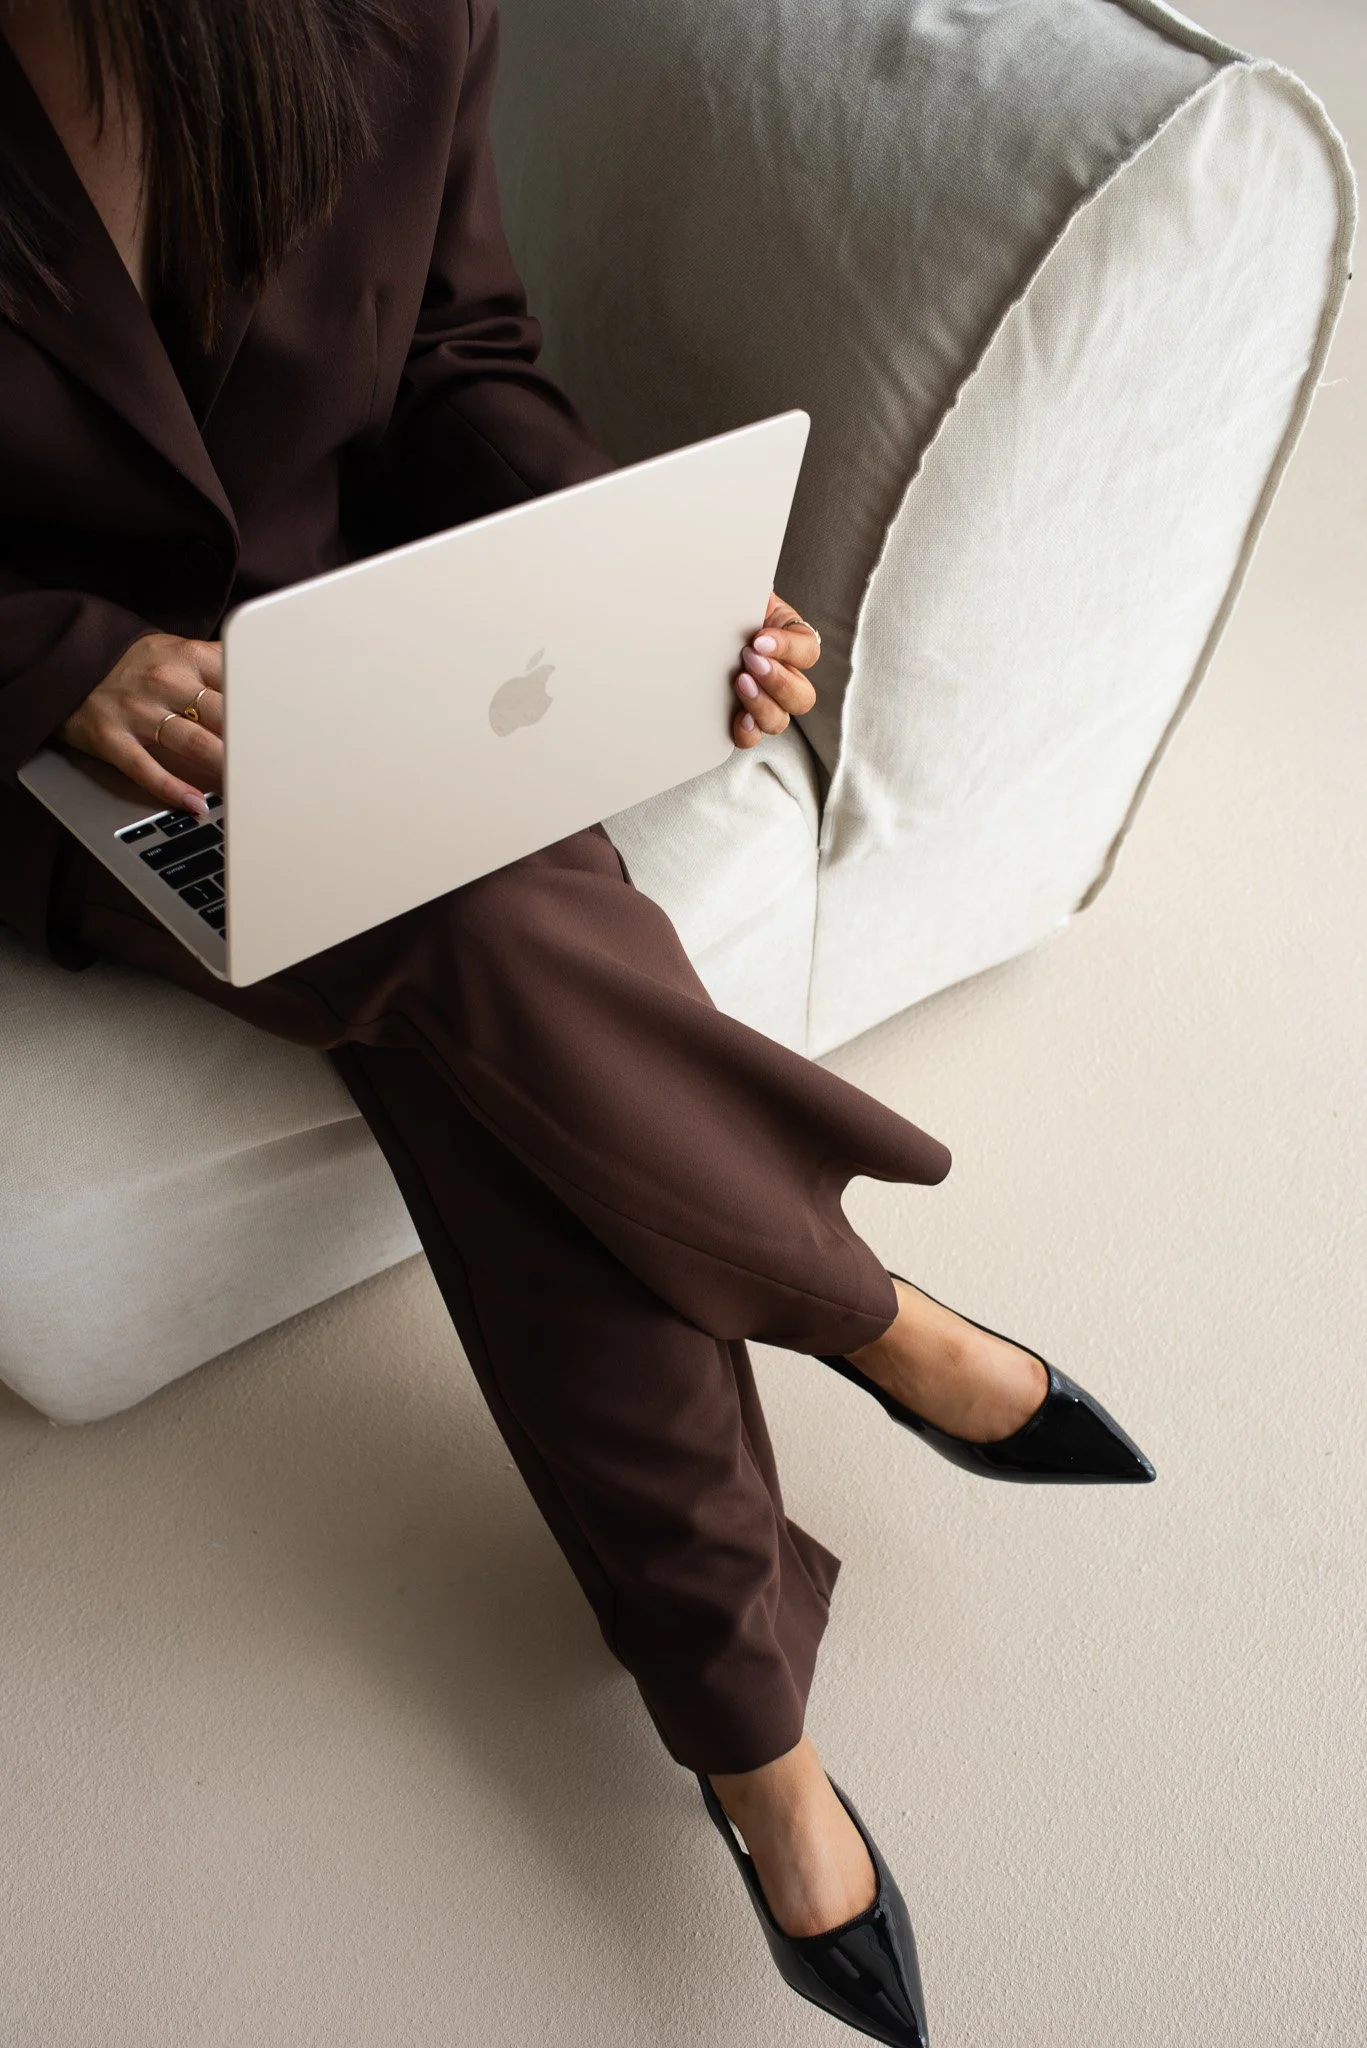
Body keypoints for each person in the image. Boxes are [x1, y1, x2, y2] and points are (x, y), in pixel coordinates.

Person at [0, 3, 1155, 2040]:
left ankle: (752, 1725)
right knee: (470, 919)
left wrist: (651, 592)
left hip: (359, 657)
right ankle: (849, 1337)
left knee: (473, 962)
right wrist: (52, 660)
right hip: (65, 766)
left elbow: (457, 368)